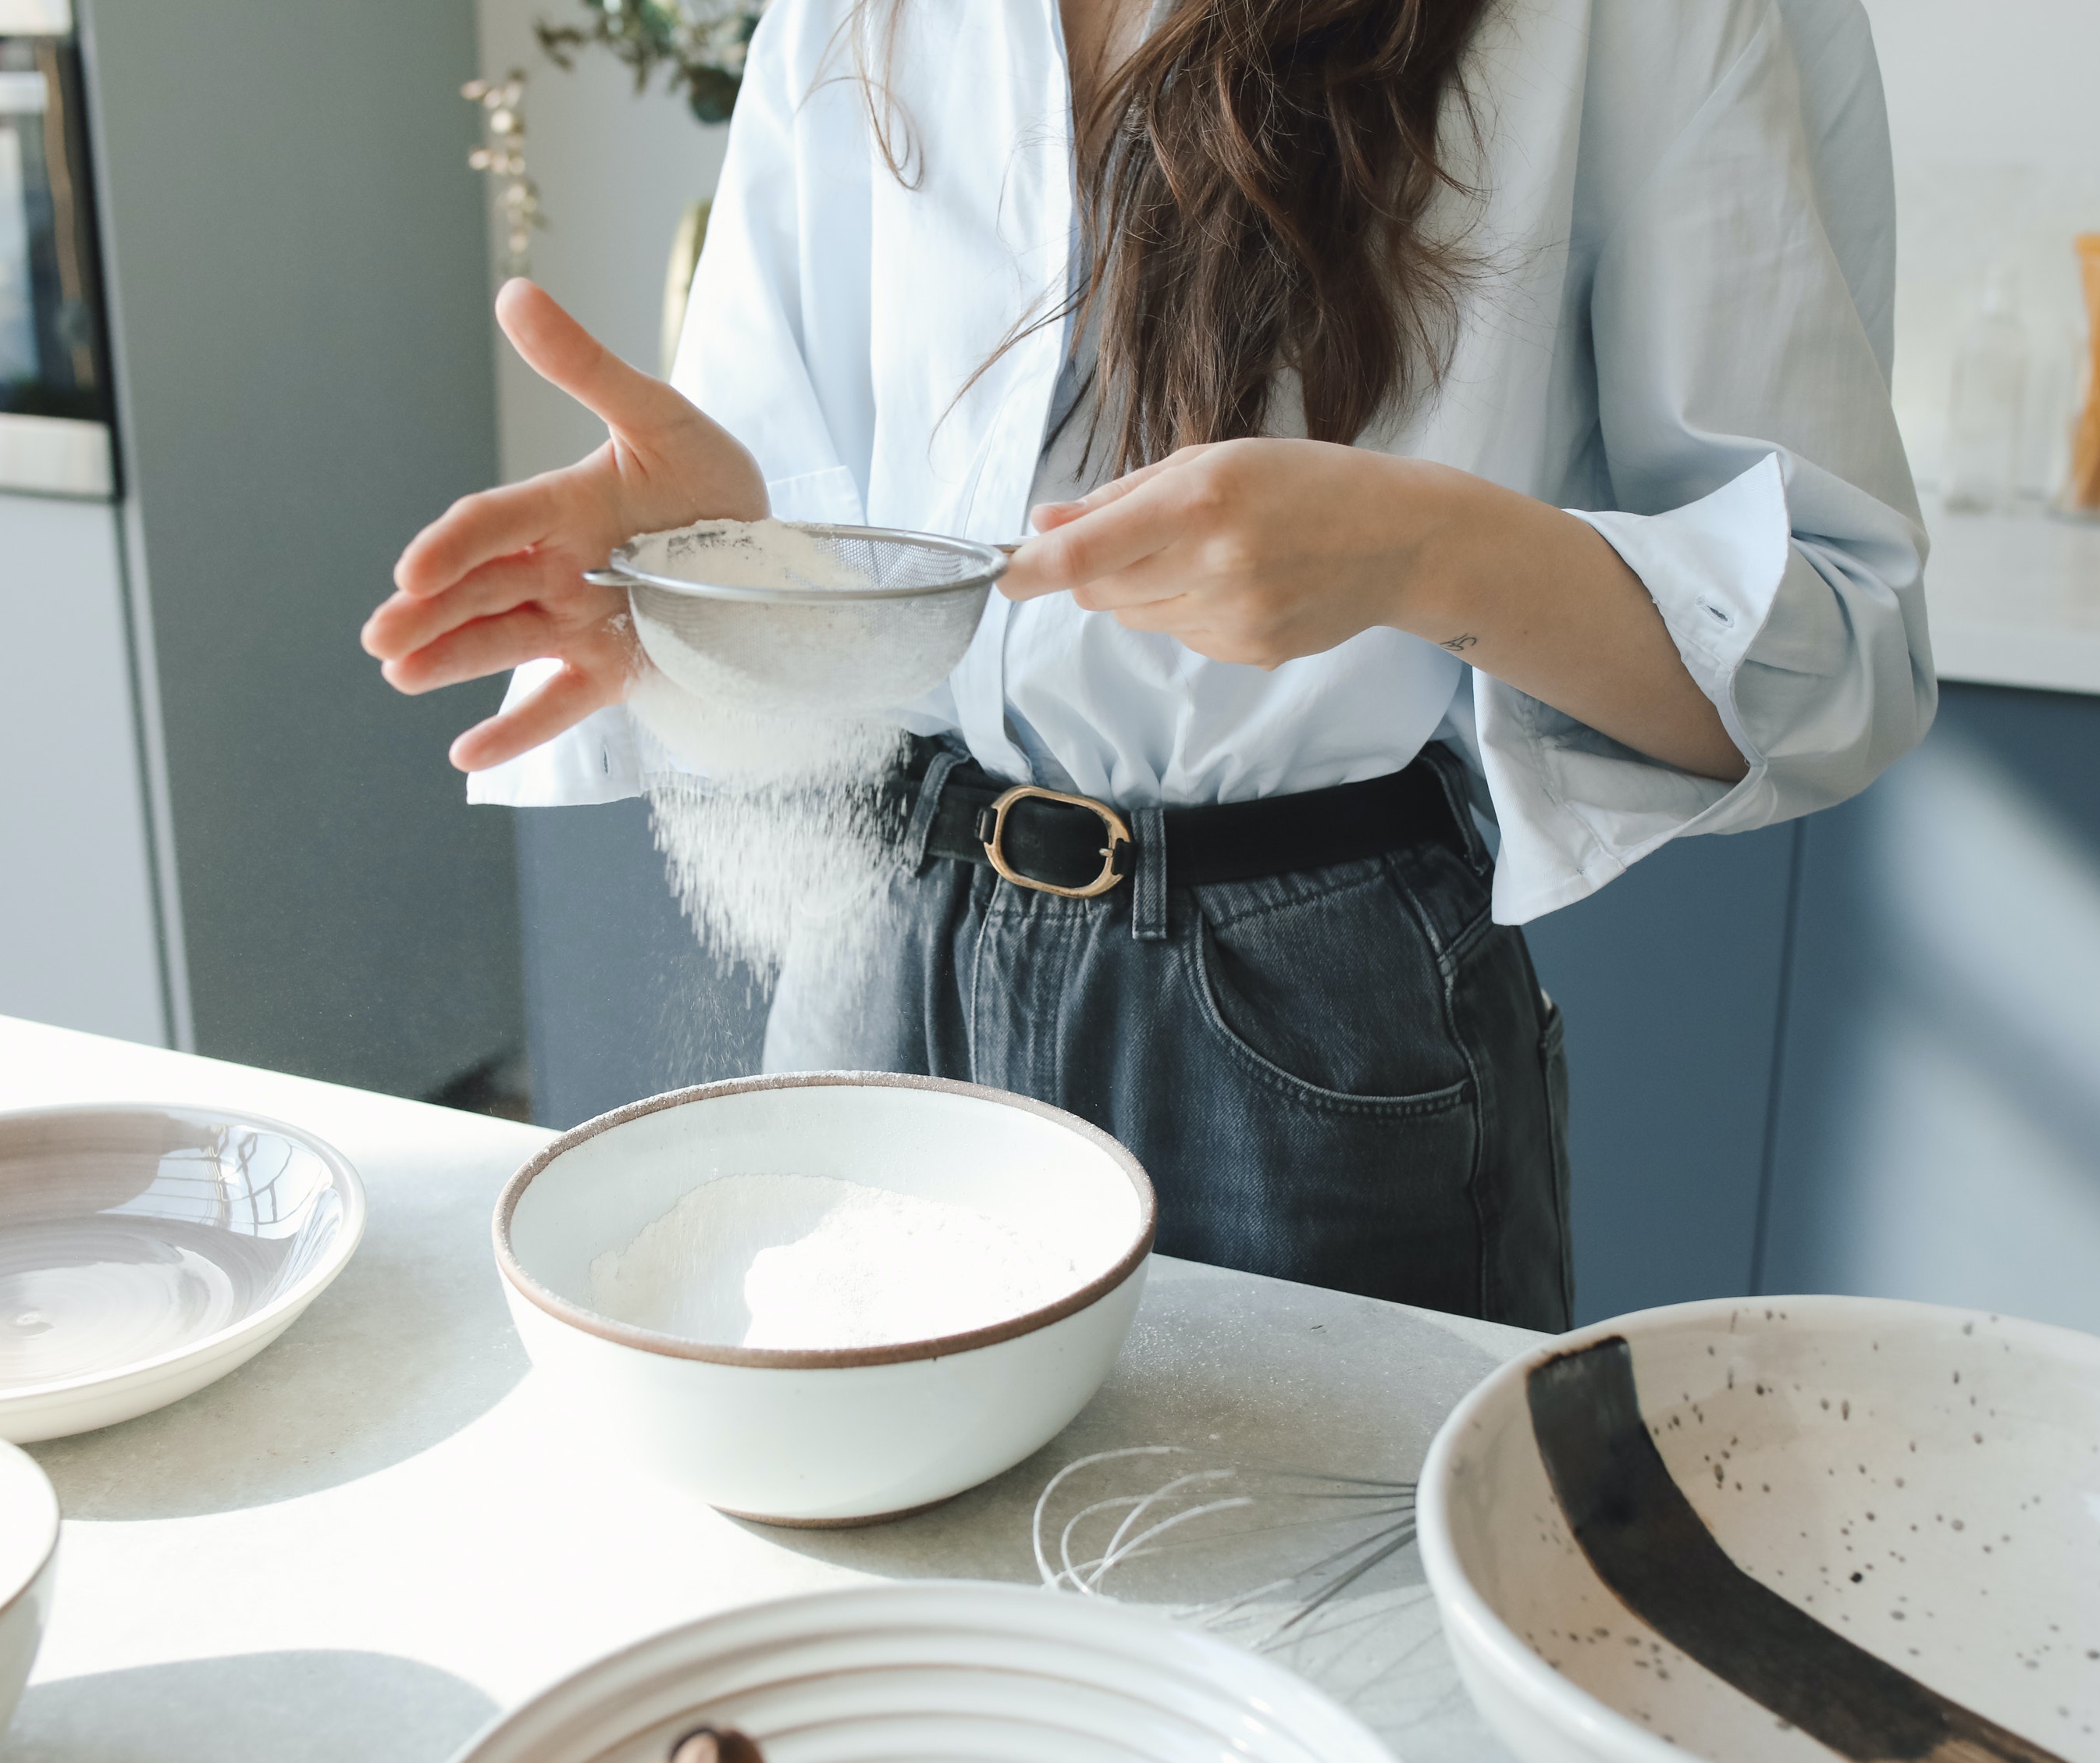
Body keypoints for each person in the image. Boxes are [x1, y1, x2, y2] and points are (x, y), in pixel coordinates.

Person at [362, 0, 1931, 1331]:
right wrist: (712, 570)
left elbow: (1830, 641)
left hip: (1309, 1031)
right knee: (870, 1648)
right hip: (884, 953)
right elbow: (828, 568)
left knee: (1323, 1659)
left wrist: (1421, 550)